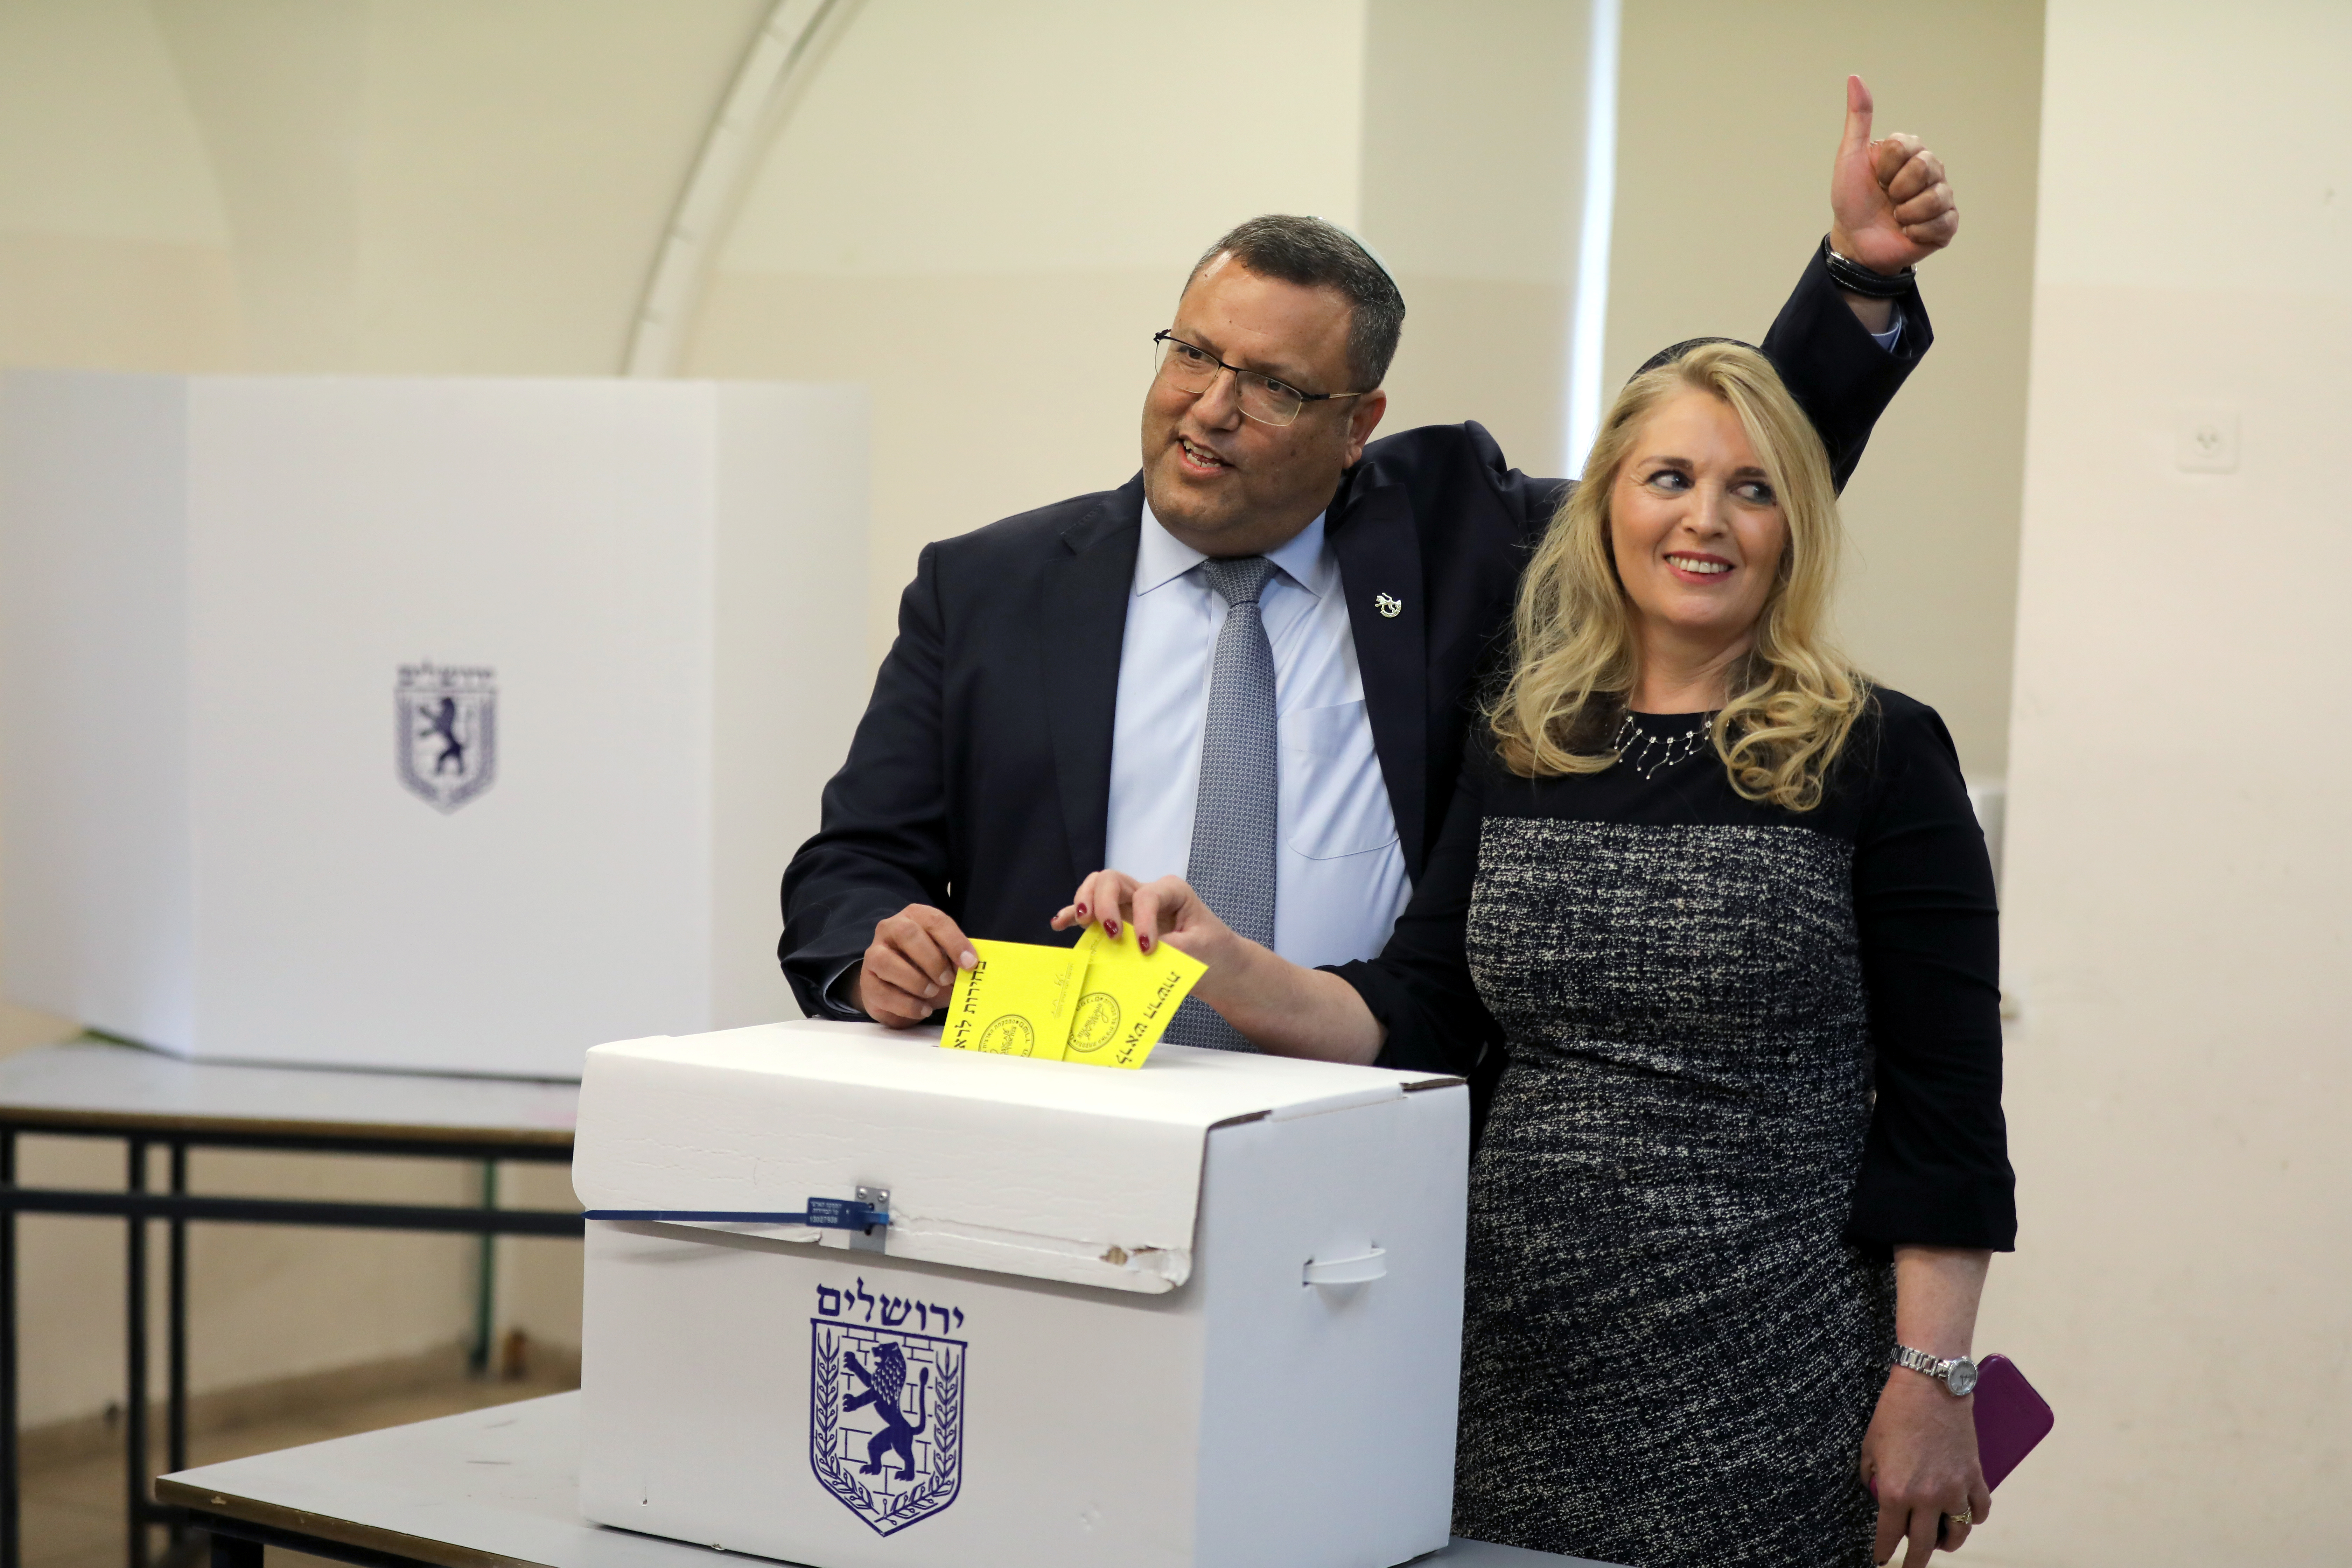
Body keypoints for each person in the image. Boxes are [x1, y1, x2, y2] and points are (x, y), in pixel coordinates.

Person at [1055, 341, 2012, 1567]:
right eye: (1669, 478)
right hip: (1497, 1356)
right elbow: (1419, 1013)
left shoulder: (1878, 751)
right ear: (1608, 498)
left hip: (1766, 1371)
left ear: (1797, 525)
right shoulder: (1531, 738)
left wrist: (1932, 1379)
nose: (1705, 521)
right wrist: (1217, 956)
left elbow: (1945, 1109)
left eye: (1754, 488)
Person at [782, 80, 1959, 1066]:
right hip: (1067, 1129)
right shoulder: (990, 586)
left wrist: (1858, 283)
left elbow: (1709, 486)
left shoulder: (1457, 540)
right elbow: (854, 863)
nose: (1213, 407)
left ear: (1360, 422)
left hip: (1374, 1130)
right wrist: (873, 949)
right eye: (1193, 355)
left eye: (1277, 387)